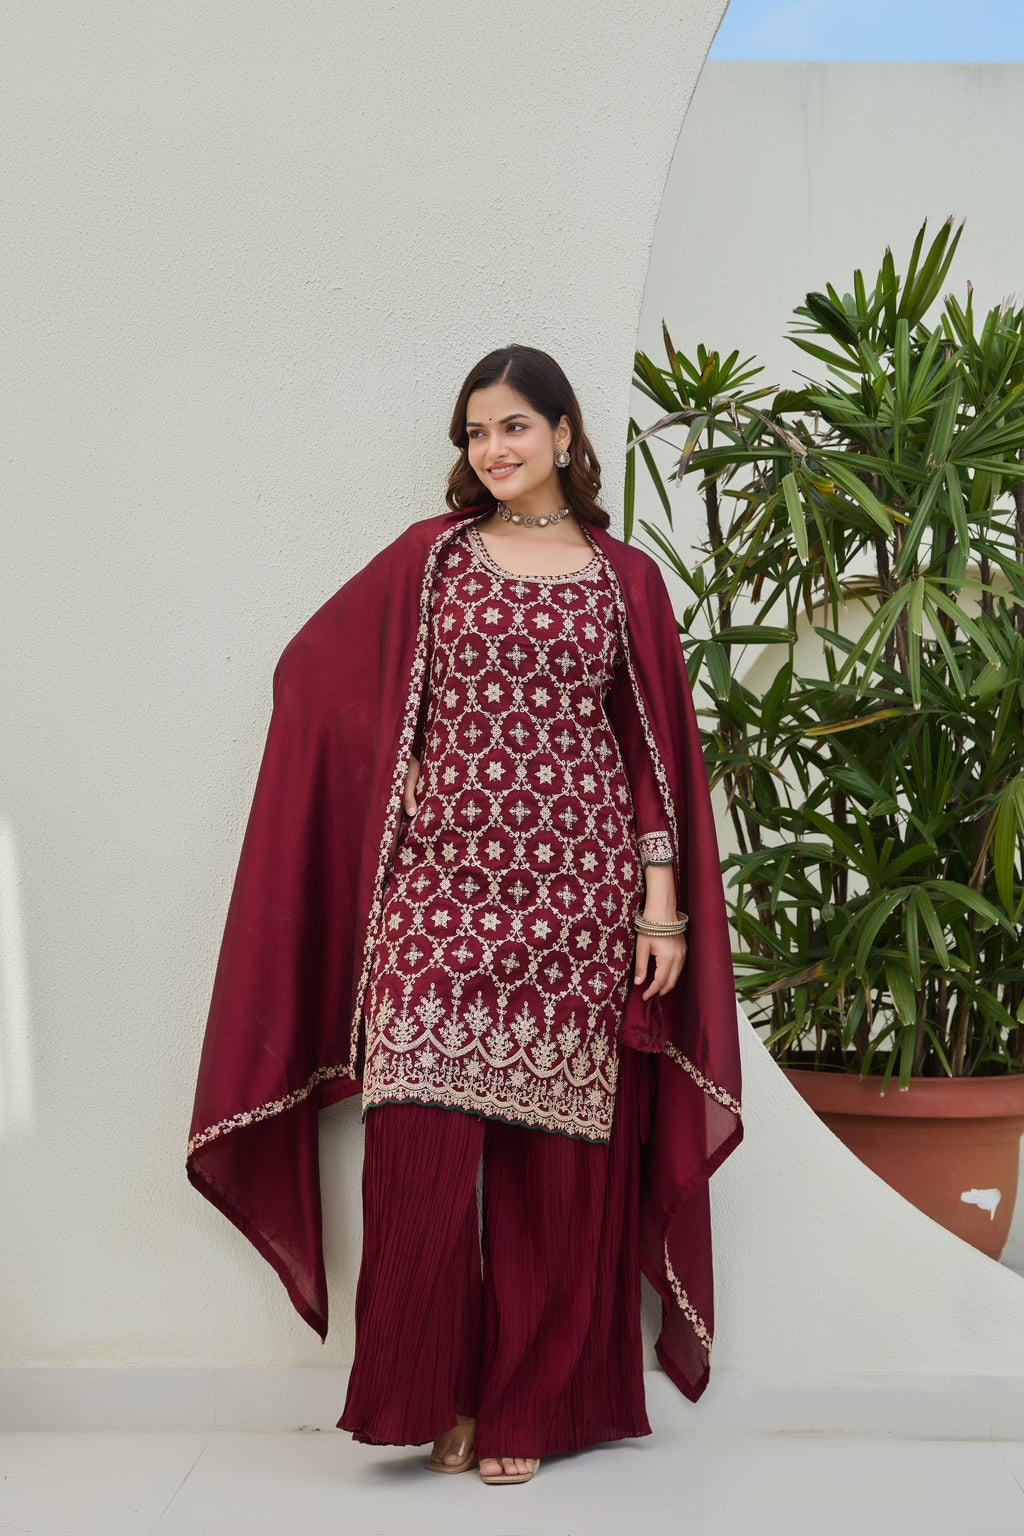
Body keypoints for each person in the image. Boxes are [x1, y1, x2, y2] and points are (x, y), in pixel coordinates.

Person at [187, 345, 742, 1486]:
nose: (492, 451)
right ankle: (435, 1394)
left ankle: (532, 1408)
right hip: (436, 901)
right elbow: (317, 675)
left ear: (565, 434)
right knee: (419, 1154)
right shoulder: (426, 562)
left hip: (582, 900)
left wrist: (662, 908)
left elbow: (652, 757)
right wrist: (396, 782)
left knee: (560, 1169)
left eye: (513, 428)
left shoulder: (622, 577)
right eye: (474, 433)